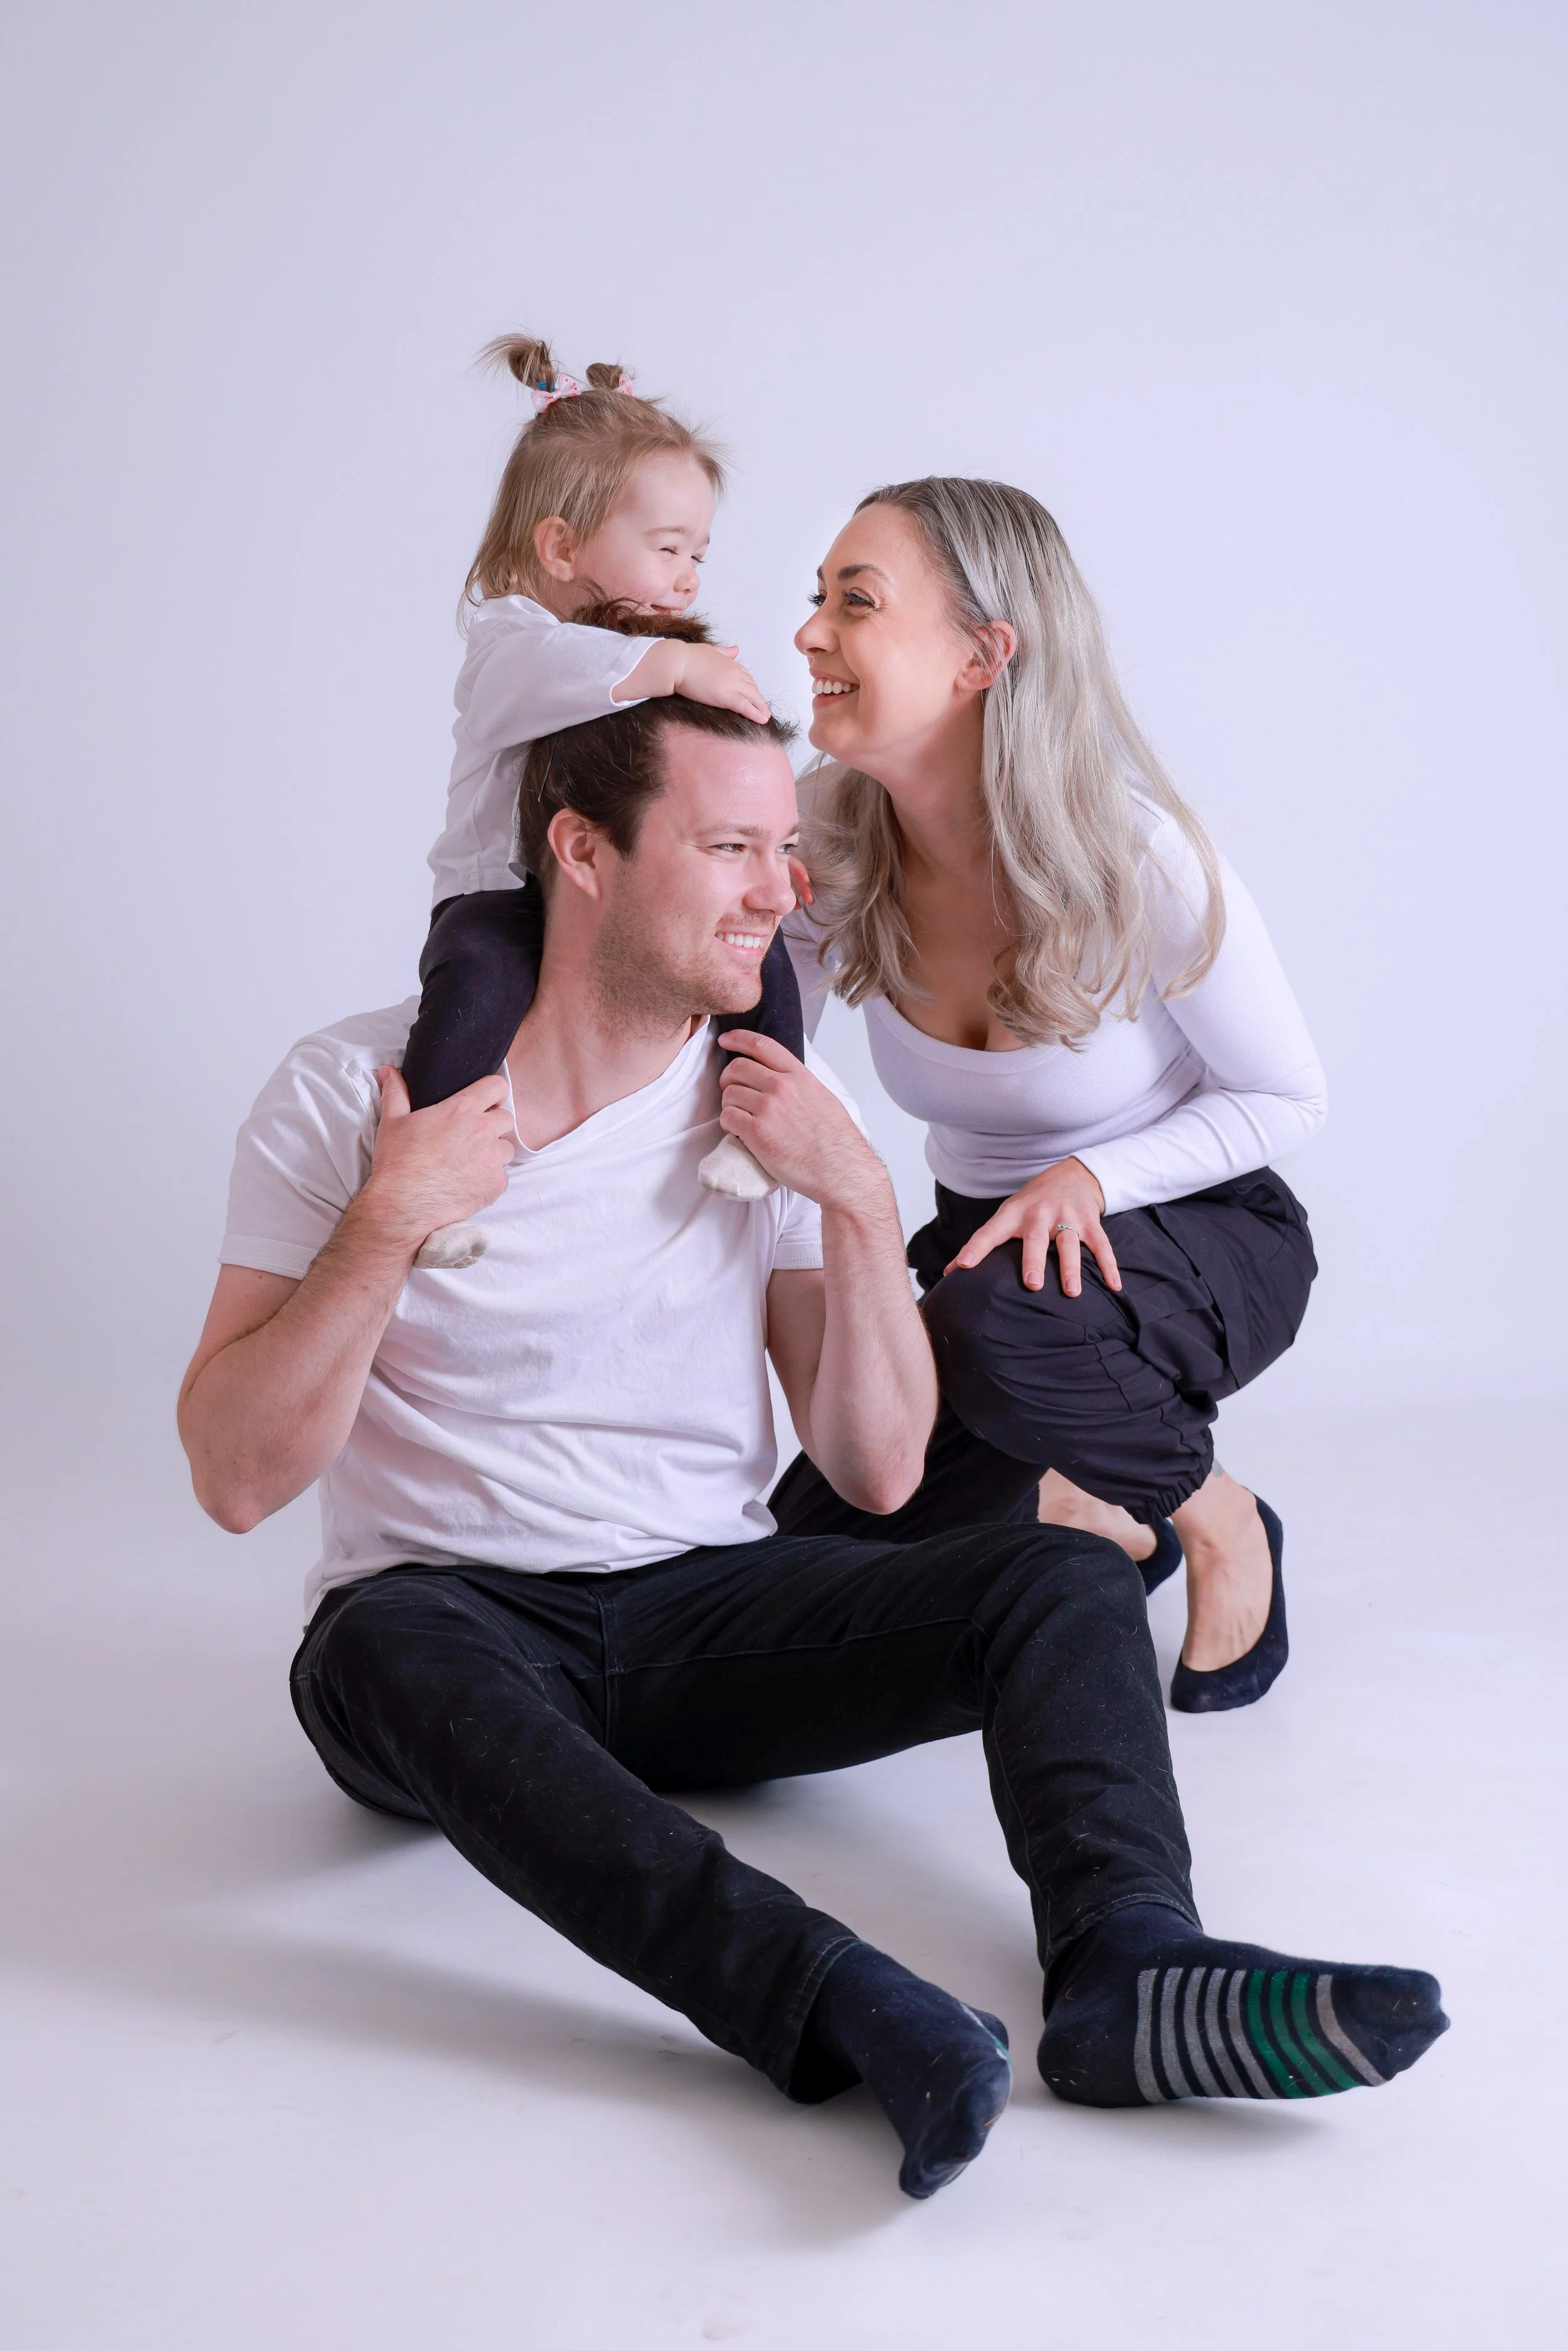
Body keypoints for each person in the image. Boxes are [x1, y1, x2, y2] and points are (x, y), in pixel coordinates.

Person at [178, 668, 1445, 2201]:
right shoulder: (352, 1094)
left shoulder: (760, 1101)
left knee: (1055, 1576)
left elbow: (876, 1471)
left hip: (696, 1604)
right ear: (580, 853)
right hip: (445, 1619)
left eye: (785, 847)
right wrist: (390, 1221)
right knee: (383, 1650)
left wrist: (851, 1195)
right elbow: (240, 1475)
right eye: (730, 849)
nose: (782, 892)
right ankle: (843, 2003)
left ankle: (1128, 1966)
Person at [780, 477, 1327, 1714]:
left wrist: (1087, 1175)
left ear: (984, 654)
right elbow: (775, 1048)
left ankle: (1213, 1514)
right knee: (817, 1554)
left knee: (997, 1320)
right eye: (812, 599)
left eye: (852, 602)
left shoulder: (1138, 854)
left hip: (1199, 1237)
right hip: (986, 1269)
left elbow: (1285, 1094)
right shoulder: (824, 833)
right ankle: (1089, 1499)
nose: (809, 632)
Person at [406, 331, 804, 1269]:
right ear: (562, 545)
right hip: (499, 894)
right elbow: (573, 670)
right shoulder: (513, 642)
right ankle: (428, 1184)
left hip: (611, 895)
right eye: (668, 548)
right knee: (473, 998)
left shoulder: (627, 657)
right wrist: (678, 661)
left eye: (698, 553)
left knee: (765, 969)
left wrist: (749, 848)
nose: (688, 577)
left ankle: (758, 1128)